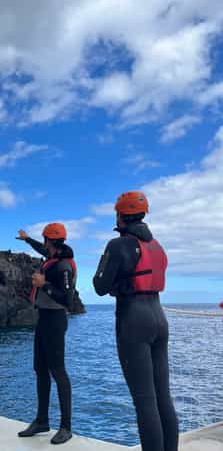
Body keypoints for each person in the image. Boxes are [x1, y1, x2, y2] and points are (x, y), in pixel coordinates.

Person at [93, 191, 178, 451]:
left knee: (144, 400)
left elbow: (99, 285)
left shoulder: (118, 244)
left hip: (133, 319)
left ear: (120, 215)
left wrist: (115, 283)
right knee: (163, 397)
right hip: (158, 317)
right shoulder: (157, 246)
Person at [16, 223, 76, 445]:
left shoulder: (64, 267)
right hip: (43, 318)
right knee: (40, 368)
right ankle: (42, 421)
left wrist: (44, 285)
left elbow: (67, 300)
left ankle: (66, 427)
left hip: (56, 320)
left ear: (49, 241)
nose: (44, 244)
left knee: (58, 371)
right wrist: (27, 239)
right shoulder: (52, 254)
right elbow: (42, 252)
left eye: (44, 240)